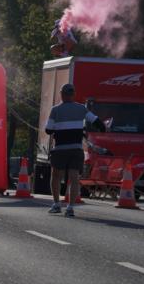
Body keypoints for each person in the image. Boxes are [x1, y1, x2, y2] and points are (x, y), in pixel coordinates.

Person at [44, 82, 104, 217]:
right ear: (73, 95)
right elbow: (97, 122)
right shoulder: (82, 109)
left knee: (56, 176)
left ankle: (56, 204)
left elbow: (48, 130)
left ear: (62, 95)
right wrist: (103, 128)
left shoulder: (55, 110)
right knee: (74, 177)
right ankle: (70, 207)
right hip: (76, 149)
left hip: (60, 149)